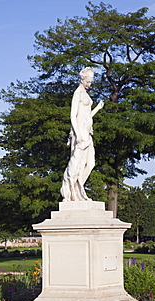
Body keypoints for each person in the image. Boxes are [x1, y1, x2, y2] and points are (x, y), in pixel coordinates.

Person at [60, 67, 104, 201]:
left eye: (91, 82)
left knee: (90, 164)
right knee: (76, 164)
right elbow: (73, 116)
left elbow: (87, 115)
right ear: (83, 79)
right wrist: (77, 134)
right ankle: (71, 191)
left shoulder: (85, 93)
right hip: (80, 134)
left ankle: (79, 189)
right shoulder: (77, 93)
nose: (89, 84)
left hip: (87, 133)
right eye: (88, 81)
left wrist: (97, 108)